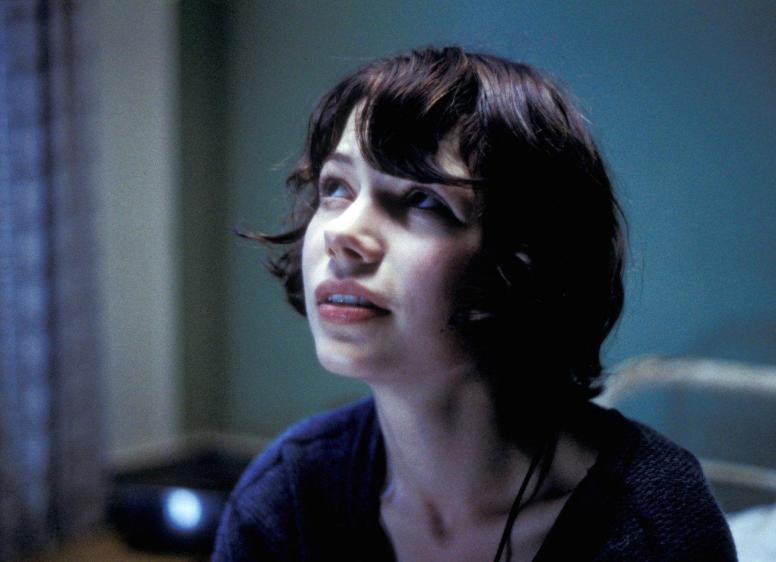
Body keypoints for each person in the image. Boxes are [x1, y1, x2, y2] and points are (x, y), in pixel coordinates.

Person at [213, 47, 736, 561]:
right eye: (336, 188)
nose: (342, 233)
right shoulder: (289, 497)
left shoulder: (657, 528)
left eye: (423, 199)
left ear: (524, 260)